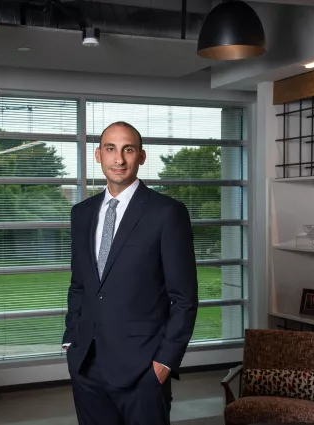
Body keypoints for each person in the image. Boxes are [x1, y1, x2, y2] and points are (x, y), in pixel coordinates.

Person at [62, 121, 198, 425]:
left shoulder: (167, 213)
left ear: (142, 156)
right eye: (110, 149)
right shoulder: (81, 213)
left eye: (128, 150)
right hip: (86, 366)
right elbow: (80, 286)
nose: (119, 159)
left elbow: (184, 299)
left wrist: (164, 363)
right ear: (98, 155)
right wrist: (71, 341)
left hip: (142, 370)